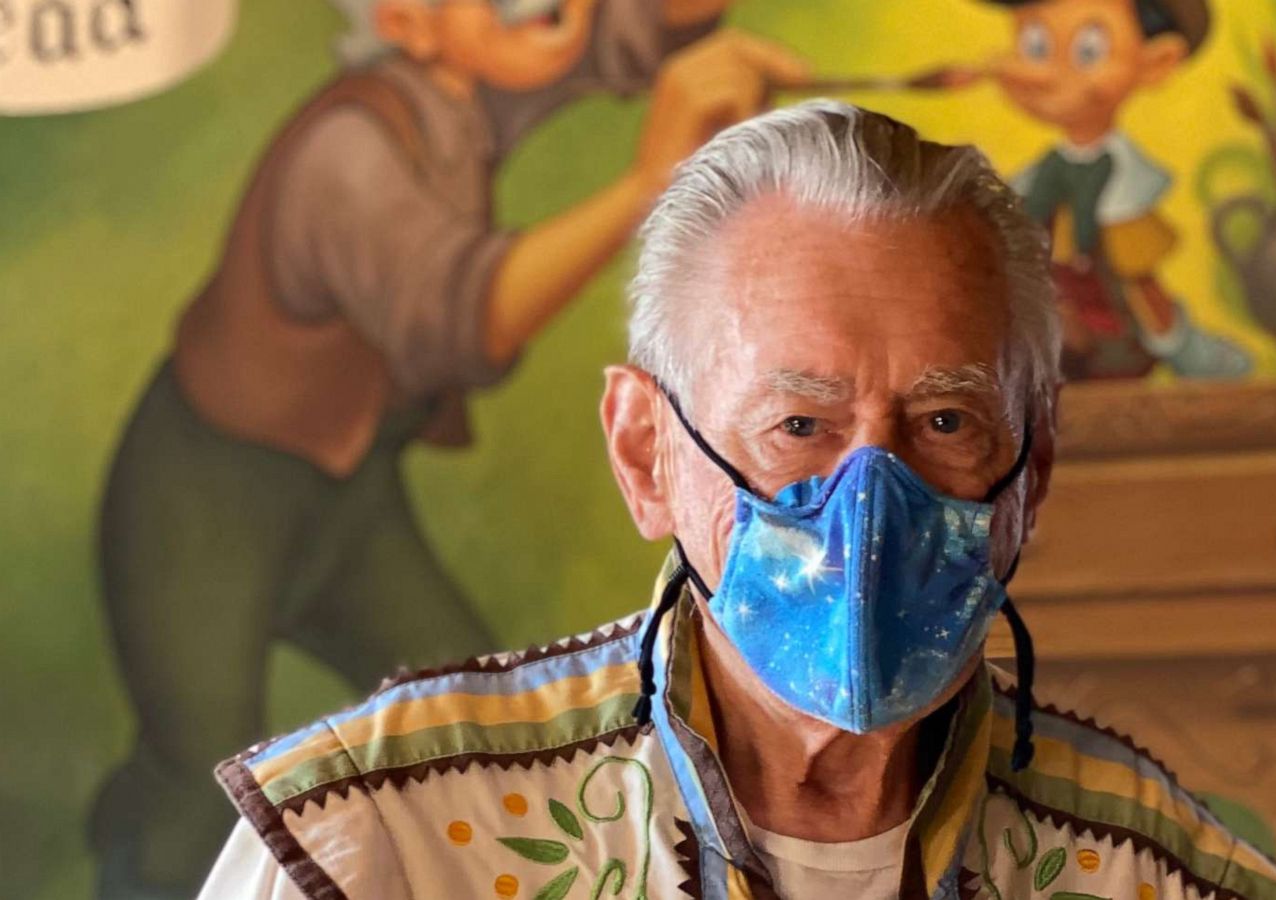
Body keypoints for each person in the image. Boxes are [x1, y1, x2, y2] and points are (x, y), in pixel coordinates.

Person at [197, 102, 1276, 900]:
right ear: (645, 455)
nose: (870, 509)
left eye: (944, 424)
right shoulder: (371, 849)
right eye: (798, 429)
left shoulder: (1155, 874)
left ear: (1033, 477)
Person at [90, 1, 806, 896]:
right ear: (409, 21)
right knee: (192, 771)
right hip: (203, 503)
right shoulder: (345, 153)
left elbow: (625, 33)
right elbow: (463, 320)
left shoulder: (470, 86)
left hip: (346, 495)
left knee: (474, 732)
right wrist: (648, 180)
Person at [985, 0, 1251, 380]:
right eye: (1036, 46)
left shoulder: (1121, 189)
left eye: (1087, 51)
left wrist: (1184, 350)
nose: (1043, 74)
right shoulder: (1037, 177)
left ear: (1156, 62)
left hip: (1111, 339)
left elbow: (1141, 285)